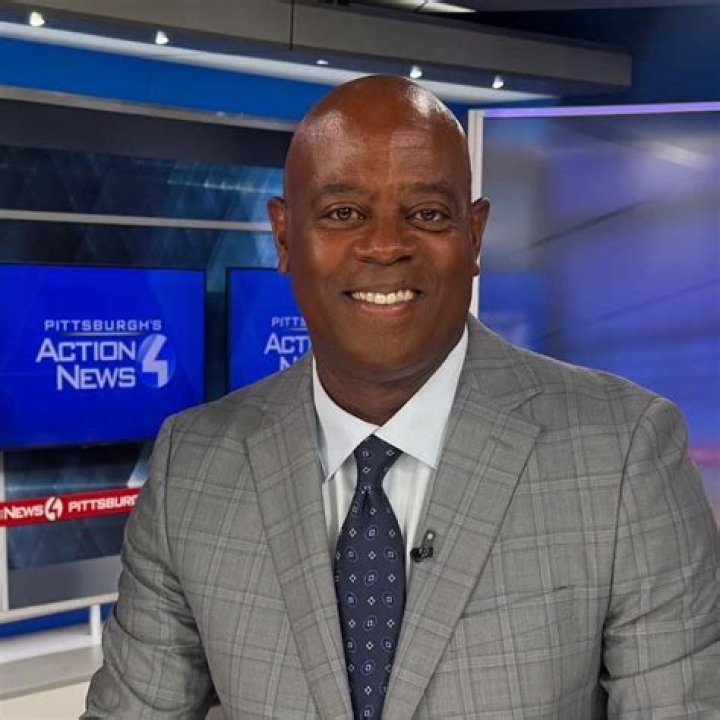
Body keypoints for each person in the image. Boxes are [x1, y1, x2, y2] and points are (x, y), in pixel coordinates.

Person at [84, 76, 719, 719]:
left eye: (428, 214)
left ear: (474, 236)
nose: (386, 245)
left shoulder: (624, 455)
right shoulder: (192, 466)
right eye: (343, 213)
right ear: (284, 237)